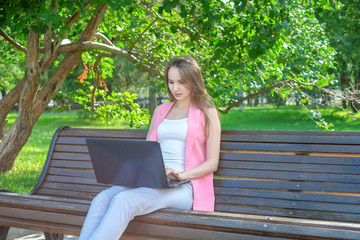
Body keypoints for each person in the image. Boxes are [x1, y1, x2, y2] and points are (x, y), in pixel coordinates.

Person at [79, 56, 221, 240]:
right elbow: (146, 151)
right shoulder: (161, 110)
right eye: (171, 82)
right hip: (152, 180)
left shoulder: (208, 113)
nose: (175, 88)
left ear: (193, 81)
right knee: (102, 198)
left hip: (184, 186)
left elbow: (212, 163)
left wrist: (181, 175)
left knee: (124, 200)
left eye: (181, 82)